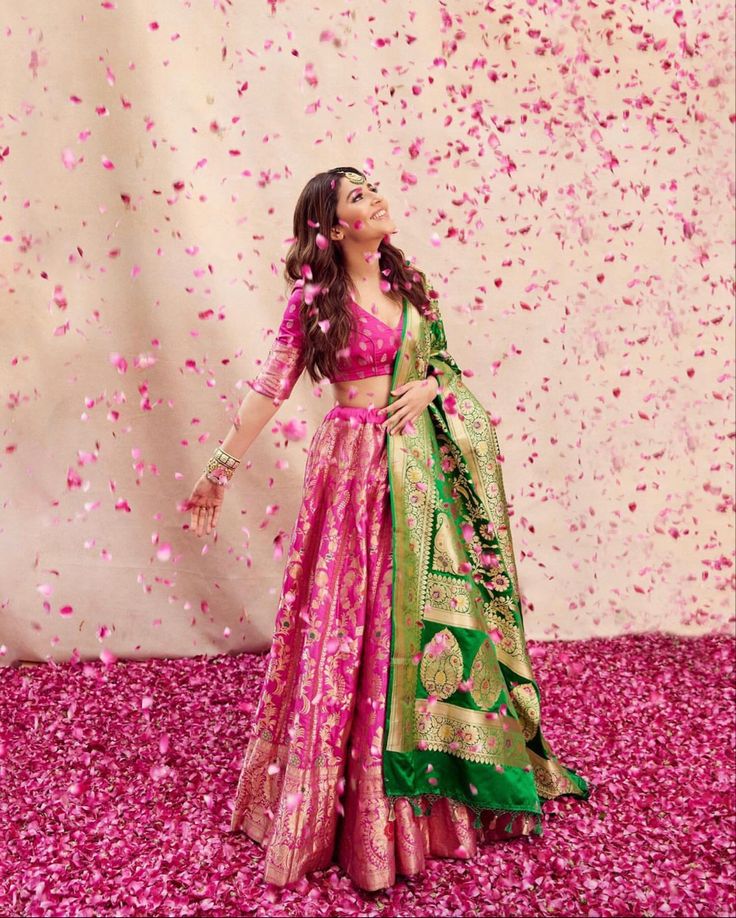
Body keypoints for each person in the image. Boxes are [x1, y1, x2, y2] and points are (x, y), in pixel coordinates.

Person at [185, 166, 591, 892]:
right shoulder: (315, 300)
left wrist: (432, 385)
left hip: (416, 471)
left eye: (372, 188)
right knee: (352, 620)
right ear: (335, 229)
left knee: (416, 618)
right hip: (349, 466)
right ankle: (347, 814)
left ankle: (431, 803)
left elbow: (443, 368)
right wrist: (218, 468)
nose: (375, 199)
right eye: (357, 197)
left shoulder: (414, 289)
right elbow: (269, 388)